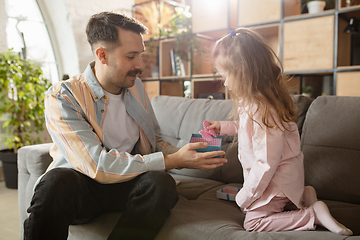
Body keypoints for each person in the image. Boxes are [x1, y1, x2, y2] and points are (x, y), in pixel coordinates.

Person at [23, 12, 227, 240]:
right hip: (81, 187)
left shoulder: (136, 87)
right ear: (102, 55)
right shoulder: (64, 96)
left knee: (161, 183)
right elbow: (96, 165)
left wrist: (183, 153)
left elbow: (154, 141)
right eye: (131, 56)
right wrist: (172, 160)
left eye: (141, 54)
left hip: (126, 184)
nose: (140, 65)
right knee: (56, 182)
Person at [206, 28, 353, 235]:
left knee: (253, 224)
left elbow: (266, 163)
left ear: (244, 73)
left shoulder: (262, 109)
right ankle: (305, 197)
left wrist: (246, 195)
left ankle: (313, 214)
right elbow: (250, 132)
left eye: (226, 76)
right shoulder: (255, 102)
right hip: (284, 179)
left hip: (275, 183)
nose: (226, 84)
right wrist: (224, 127)